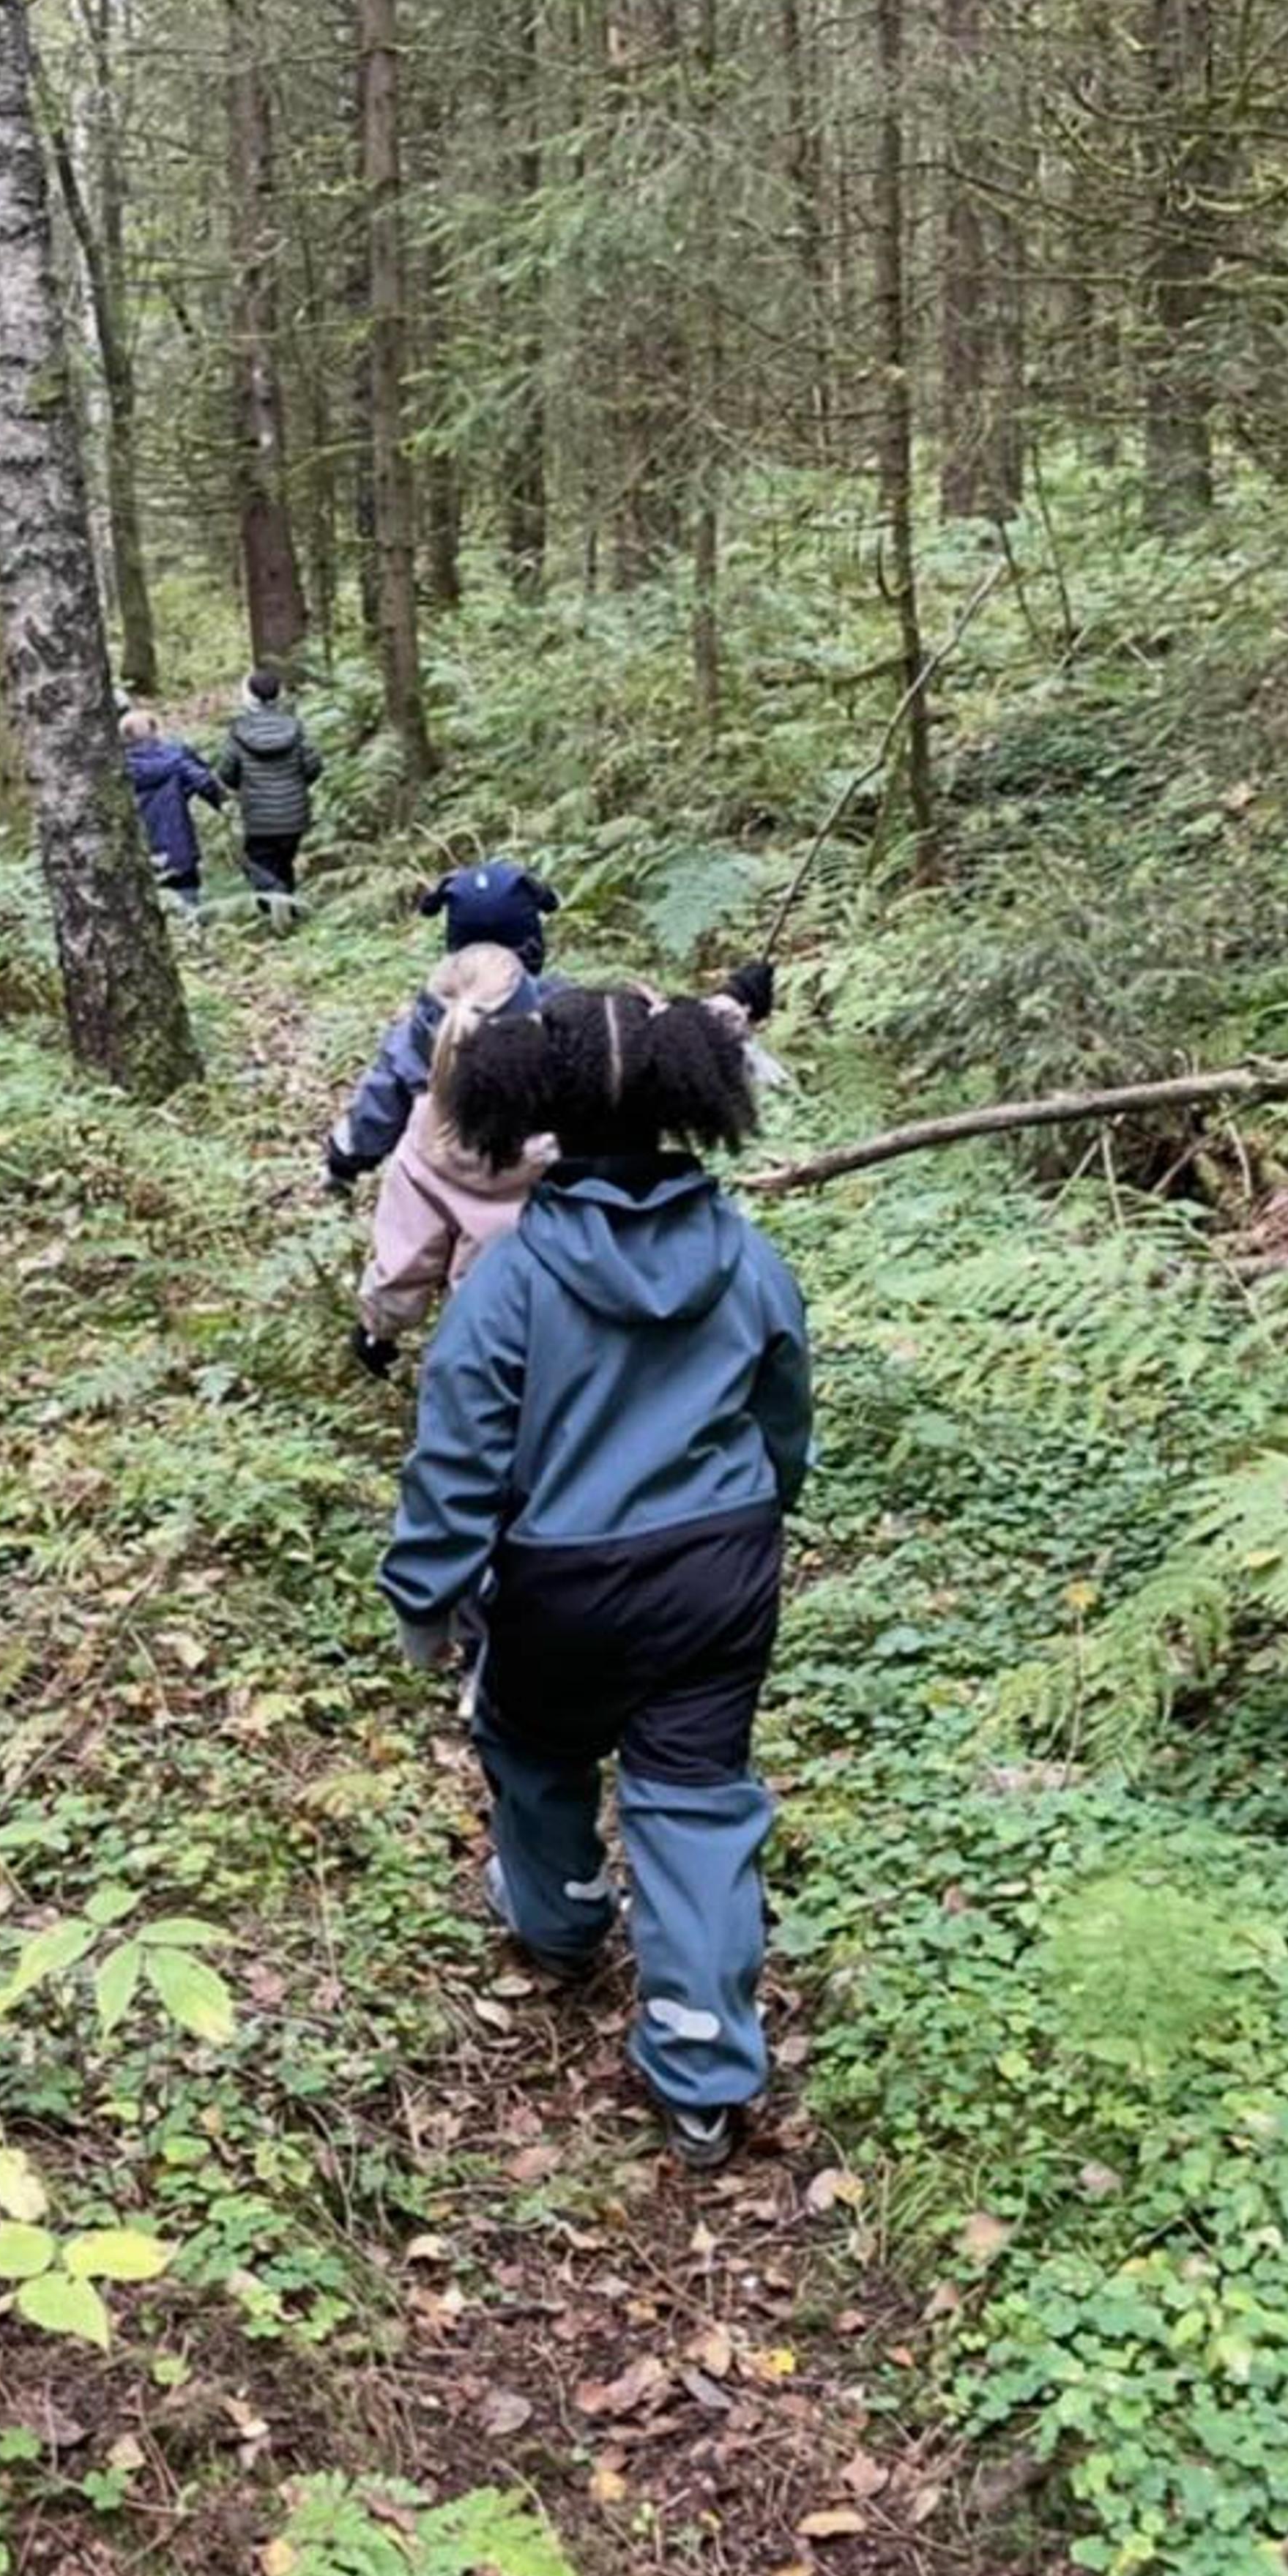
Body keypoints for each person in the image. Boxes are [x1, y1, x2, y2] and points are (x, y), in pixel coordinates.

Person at [379, 986, 812, 2170]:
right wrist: (768, 1506)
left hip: (558, 1583)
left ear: (542, 1113)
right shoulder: (747, 1258)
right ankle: (705, 2068)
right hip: (720, 1569)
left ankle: (560, 1918)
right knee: (697, 1797)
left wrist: (426, 1592)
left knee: (535, 1750)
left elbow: (456, 1455)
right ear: (687, 1105)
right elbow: (784, 1418)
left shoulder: (513, 1281)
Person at [352, 942, 556, 1374]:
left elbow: (407, 1256)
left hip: (487, 1343)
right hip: (584, 1338)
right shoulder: (584, 1117)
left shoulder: (427, 1135)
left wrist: (378, 1327)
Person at [322, 857, 562, 1194]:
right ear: (533, 941)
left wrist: (342, 1160)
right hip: (551, 1192)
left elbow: (379, 1104)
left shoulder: (424, 1023)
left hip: (447, 1189)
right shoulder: (566, 1010)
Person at [216, 666, 322, 917]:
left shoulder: (239, 731)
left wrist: (243, 787)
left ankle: (277, 912)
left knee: (261, 866)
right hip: (294, 815)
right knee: (284, 863)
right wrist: (297, 786)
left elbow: (226, 772)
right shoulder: (295, 728)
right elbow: (314, 765)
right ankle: (288, 912)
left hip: (259, 816)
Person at [119, 707, 226, 917]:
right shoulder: (175, 759)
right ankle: (194, 940)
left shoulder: (115, 770)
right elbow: (205, 782)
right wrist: (224, 805)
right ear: (155, 730)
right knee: (188, 902)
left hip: (136, 850)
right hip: (177, 845)